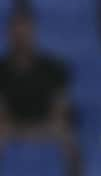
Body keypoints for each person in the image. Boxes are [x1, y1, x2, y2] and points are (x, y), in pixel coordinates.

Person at [0, 12, 77, 165]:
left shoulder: (53, 69)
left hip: (46, 126)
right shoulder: (1, 70)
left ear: (33, 34)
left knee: (67, 136)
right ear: (9, 35)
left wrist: (41, 129)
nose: (21, 38)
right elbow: (2, 114)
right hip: (12, 128)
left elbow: (60, 110)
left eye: (26, 33)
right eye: (17, 34)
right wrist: (19, 130)